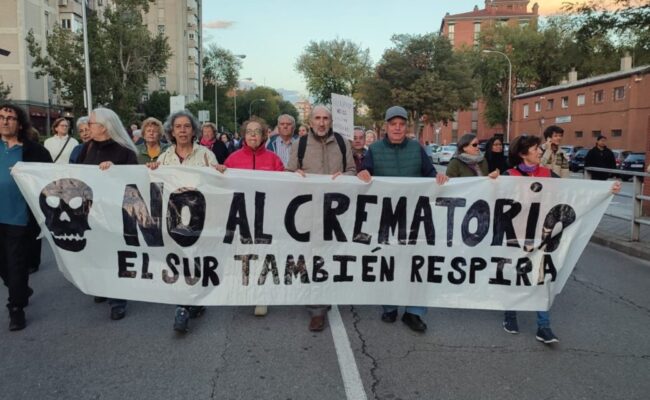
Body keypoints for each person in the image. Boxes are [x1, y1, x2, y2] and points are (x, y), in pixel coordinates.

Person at [502, 134, 620, 344]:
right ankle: (510, 315)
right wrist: (491, 181)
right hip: (516, 237)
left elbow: (575, 192)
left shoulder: (548, 174)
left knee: (542, 278)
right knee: (514, 275)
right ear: (522, 153)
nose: (540, 151)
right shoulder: (508, 175)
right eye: (535, 148)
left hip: (543, 237)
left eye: (540, 148)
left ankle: (543, 326)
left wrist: (606, 190)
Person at [357, 106, 447, 333]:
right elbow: (364, 174)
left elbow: (430, 175)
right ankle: (389, 306)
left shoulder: (417, 149)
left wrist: (439, 177)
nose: (397, 128)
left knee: (416, 265)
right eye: (393, 124)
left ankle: (414, 312)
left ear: (406, 127)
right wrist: (362, 174)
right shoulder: (374, 150)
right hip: (386, 218)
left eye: (401, 124)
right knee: (387, 263)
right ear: (386, 126)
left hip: (415, 217)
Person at [148, 110, 225, 334]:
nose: (182, 130)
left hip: (200, 218)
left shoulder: (205, 155)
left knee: (196, 258)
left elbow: (217, 184)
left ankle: (196, 299)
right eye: (178, 127)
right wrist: (152, 170)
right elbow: (155, 185)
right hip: (174, 219)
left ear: (194, 131)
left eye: (186, 126)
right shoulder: (164, 157)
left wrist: (219, 172)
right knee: (180, 259)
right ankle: (182, 306)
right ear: (172, 131)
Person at [286, 105, 356, 332]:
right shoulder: (301, 144)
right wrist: (295, 175)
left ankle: (331, 294)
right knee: (314, 259)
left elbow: (353, 171)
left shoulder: (343, 143)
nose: (322, 122)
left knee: (334, 256)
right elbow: (288, 174)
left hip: (337, 212)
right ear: (310, 121)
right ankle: (317, 310)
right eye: (317, 118)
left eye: (326, 118)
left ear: (331, 121)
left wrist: (344, 176)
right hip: (309, 213)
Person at [78, 107, 138, 320]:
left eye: (91, 123)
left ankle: (117, 300)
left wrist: (115, 171)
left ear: (103, 127)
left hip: (114, 212)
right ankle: (102, 288)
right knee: (96, 253)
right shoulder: (87, 148)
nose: (87, 127)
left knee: (113, 256)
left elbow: (134, 185)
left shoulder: (125, 151)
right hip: (91, 212)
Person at [224, 117, 284, 316]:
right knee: (244, 255)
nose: (252, 135)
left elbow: (286, 186)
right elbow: (222, 186)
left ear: (264, 135)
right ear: (243, 135)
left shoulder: (274, 160)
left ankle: (261, 296)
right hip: (241, 217)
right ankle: (245, 290)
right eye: (249, 131)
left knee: (264, 256)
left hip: (267, 217)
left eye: (257, 131)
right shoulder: (232, 159)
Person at [0, 103, 53, 330]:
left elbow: (49, 180)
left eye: (10, 118)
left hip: (19, 220)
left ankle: (16, 308)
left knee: (16, 265)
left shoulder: (34, 151)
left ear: (19, 124)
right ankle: (18, 287)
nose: (4, 121)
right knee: (4, 267)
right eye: (1, 117)